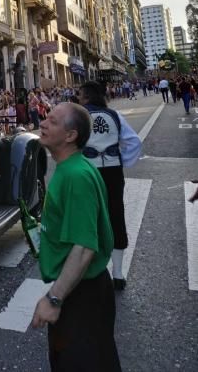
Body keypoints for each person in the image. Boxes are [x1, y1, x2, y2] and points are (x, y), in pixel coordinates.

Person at [31, 102, 120, 372]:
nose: (44, 123)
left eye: (53, 121)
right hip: (80, 290)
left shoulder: (76, 176)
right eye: (46, 117)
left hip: (82, 294)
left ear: (70, 136)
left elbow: (84, 248)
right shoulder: (70, 168)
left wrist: (53, 299)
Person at [79, 81, 141, 290]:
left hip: (88, 172)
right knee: (116, 215)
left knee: (88, 217)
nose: (78, 99)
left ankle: (92, 267)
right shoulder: (115, 116)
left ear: (86, 97)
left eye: (80, 95)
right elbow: (134, 142)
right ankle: (118, 273)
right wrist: (122, 160)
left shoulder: (78, 117)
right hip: (113, 171)